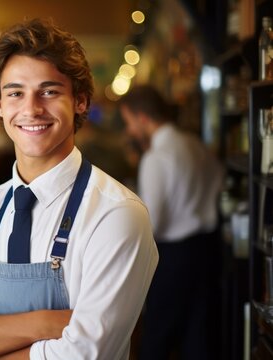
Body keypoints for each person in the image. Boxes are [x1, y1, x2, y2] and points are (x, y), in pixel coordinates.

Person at [0, 18, 159, 359]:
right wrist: (46, 324)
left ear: (80, 101)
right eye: (16, 93)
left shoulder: (116, 214)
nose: (31, 109)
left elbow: (83, 354)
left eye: (49, 91)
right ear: (0, 107)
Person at [118, 85, 224, 360]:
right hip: (209, 249)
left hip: (173, 257)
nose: (129, 131)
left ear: (142, 118)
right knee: (199, 337)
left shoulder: (155, 158)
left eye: (129, 122)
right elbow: (218, 184)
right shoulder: (196, 144)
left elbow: (151, 223)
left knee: (157, 337)